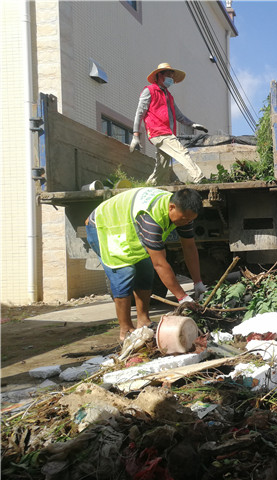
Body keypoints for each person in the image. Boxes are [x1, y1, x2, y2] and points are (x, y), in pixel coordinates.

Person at [85, 187, 207, 341]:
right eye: (184, 219)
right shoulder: (150, 216)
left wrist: (198, 282)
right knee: (124, 274)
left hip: (128, 229)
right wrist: (182, 297)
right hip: (105, 226)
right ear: (172, 207)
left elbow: (189, 247)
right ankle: (126, 331)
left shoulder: (184, 213)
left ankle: (144, 322)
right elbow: (160, 264)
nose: (186, 223)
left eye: (190, 220)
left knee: (145, 271)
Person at [130, 63, 207, 185]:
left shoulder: (168, 96)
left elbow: (179, 116)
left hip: (166, 132)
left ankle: (148, 185)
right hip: (157, 131)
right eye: (169, 75)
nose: (171, 78)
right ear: (160, 75)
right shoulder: (149, 91)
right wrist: (135, 135)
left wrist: (193, 124)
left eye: (172, 76)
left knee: (162, 167)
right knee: (181, 152)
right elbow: (139, 113)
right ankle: (199, 178)